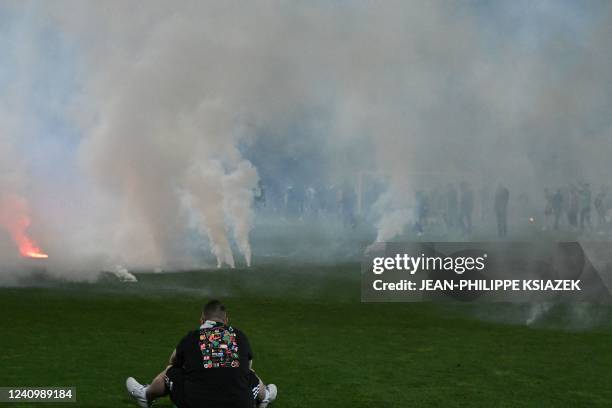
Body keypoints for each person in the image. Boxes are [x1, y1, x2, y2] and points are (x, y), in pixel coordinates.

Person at [126, 300, 277, 408]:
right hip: (240, 403)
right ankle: (265, 397)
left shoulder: (193, 336)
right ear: (226, 320)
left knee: (170, 371)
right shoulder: (238, 335)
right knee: (248, 374)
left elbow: (173, 361)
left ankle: (145, 395)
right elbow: (248, 367)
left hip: (195, 403)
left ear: (202, 320)